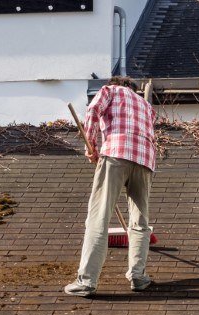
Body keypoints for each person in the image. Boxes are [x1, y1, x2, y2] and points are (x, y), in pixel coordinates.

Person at [64, 75, 157, 297]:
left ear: (117, 83)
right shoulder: (146, 106)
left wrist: (91, 146)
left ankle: (87, 281)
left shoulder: (111, 90)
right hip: (145, 161)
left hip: (116, 153)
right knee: (140, 222)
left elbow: (93, 110)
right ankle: (138, 276)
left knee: (99, 217)